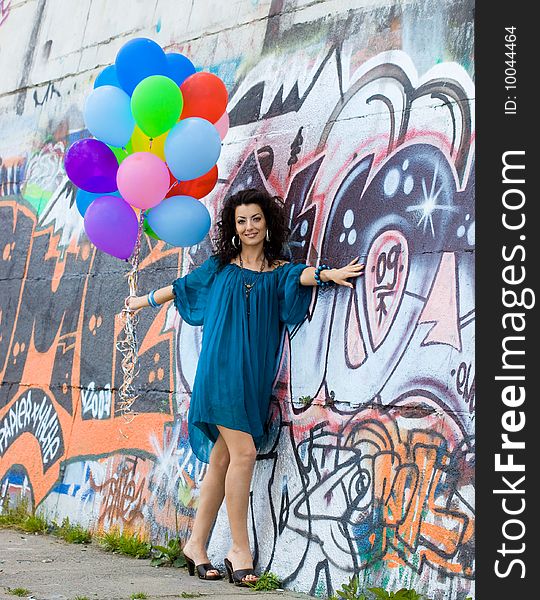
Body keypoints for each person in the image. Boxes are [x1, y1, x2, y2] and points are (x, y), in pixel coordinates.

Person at [125, 188, 364, 586]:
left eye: (255, 219)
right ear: (233, 228)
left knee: (221, 460)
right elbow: (181, 287)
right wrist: (142, 302)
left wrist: (328, 275)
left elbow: (300, 276)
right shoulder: (220, 268)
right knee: (246, 453)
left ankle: (196, 544)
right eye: (241, 221)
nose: (249, 226)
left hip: (251, 380)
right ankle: (240, 548)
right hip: (218, 374)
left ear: (266, 223)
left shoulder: (277, 270)